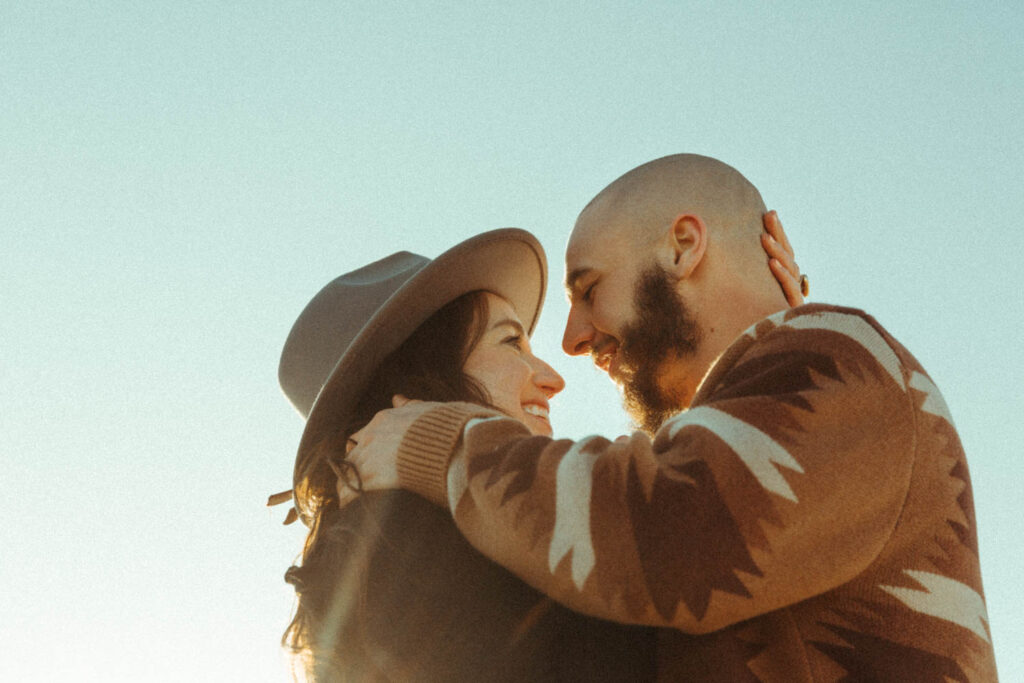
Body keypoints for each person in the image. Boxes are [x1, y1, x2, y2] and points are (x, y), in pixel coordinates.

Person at [345, 155, 999, 681]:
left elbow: (673, 527)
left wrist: (442, 446)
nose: (571, 339)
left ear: (683, 247)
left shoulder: (836, 358)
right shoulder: (816, 381)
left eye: (588, 287)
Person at [272, 223, 802, 681]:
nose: (551, 379)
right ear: (424, 380)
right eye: (510, 344)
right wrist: (776, 348)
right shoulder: (434, 561)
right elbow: (698, 534)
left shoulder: (423, 553)